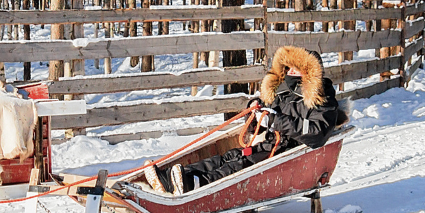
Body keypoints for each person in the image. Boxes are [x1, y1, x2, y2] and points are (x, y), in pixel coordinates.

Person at [144, 46, 348, 195]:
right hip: (267, 144)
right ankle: (175, 177)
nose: (291, 72)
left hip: (286, 152)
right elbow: (264, 118)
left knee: (239, 165)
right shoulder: (285, 93)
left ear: (310, 72)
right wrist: (255, 108)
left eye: (297, 69)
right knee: (227, 157)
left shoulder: (321, 99)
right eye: (290, 68)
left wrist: (274, 121)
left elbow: (316, 133)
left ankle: (192, 185)